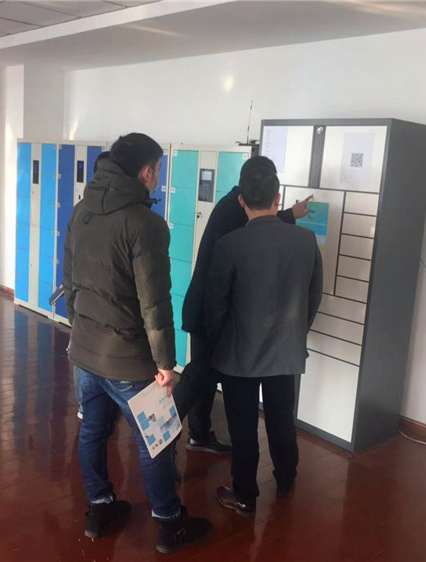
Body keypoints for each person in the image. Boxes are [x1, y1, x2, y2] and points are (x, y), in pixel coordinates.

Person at [63, 133, 212, 553]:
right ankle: (169, 523)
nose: (158, 178)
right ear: (146, 172)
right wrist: (166, 363)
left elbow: (70, 280)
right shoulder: (145, 224)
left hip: (85, 352)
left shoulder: (81, 211)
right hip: (129, 361)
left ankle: (100, 508)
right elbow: (155, 303)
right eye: (158, 170)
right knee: (157, 440)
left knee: (93, 431)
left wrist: (79, 329)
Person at [204, 163, 323, 517]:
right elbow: (313, 295)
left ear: (241, 201)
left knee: (243, 427)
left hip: (239, 355)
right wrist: (296, 333)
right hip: (286, 352)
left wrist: (220, 343)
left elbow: (215, 306)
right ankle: (286, 479)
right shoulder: (305, 240)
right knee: (282, 418)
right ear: (278, 198)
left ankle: (245, 495)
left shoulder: (230, 245)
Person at [173, 156, 311, 453]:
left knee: (202, 377)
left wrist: (290, 214)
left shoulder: (234, 205)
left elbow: (259, 223)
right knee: (199, 377)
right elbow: (257, 231)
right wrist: (289, 215)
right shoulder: (232, 211)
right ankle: (164, 435)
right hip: (210, 312)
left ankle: (195, 434)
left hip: (213, 310)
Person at [74, 150, 110, 421]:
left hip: (87, 306)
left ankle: (88, 408)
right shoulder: (127, 216)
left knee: (85, 357)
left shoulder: (81, 210)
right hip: (95, 306)